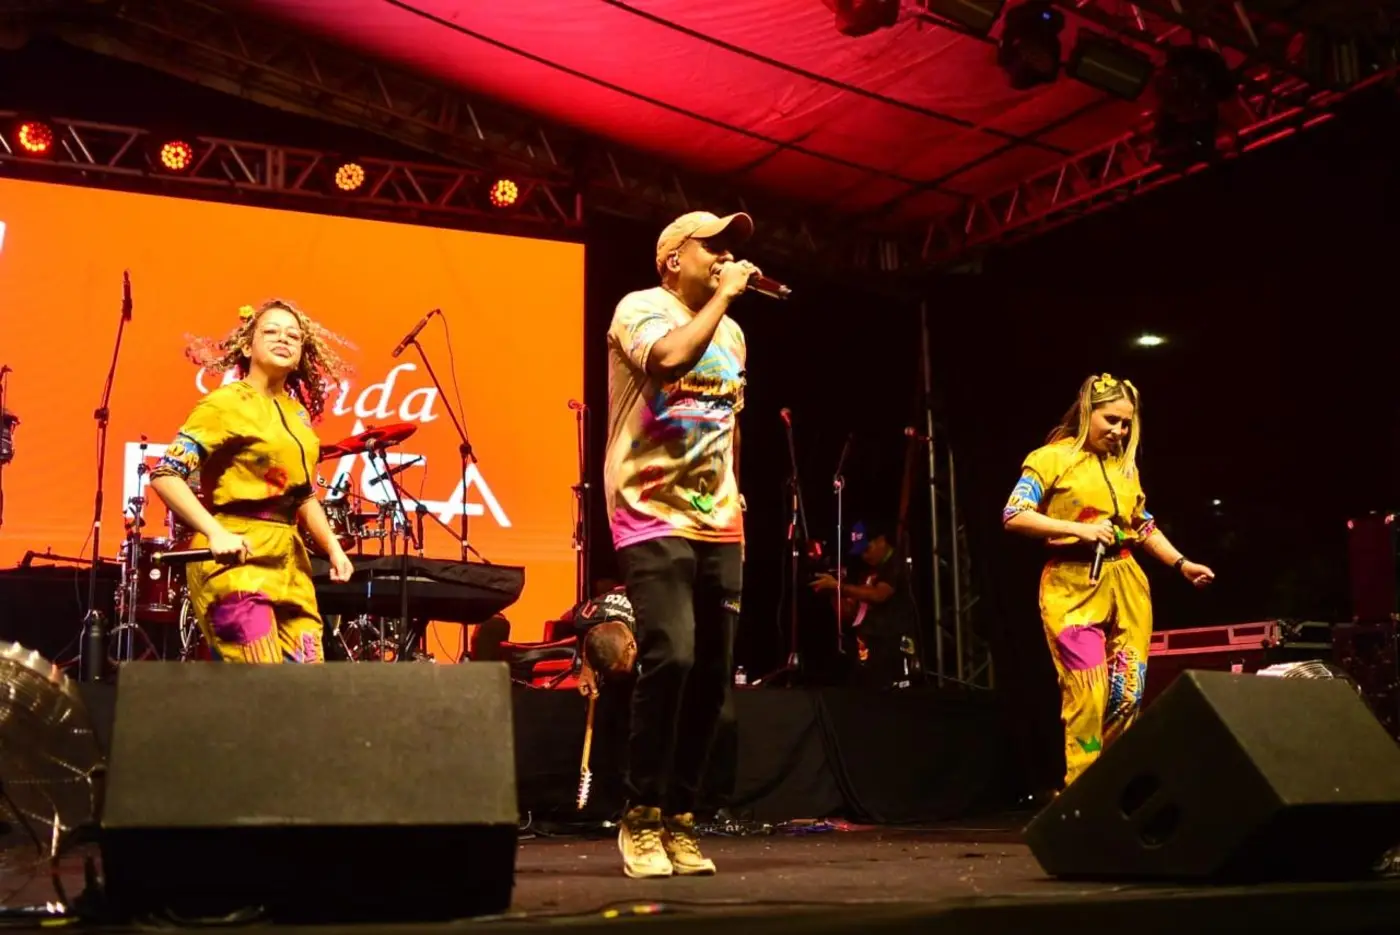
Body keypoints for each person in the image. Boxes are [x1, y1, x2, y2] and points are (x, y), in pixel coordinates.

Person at [603, 210, 755, 879]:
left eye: (730, 249)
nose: (724, 257)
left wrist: (736, 490)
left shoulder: (735, 334)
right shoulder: (640, 309)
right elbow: (668, 361)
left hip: (717, 519)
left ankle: (681, 818)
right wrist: (724, 298)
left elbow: (729, 417)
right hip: (649, 508)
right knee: (673, 654)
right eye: (711, 247)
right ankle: (639, 814)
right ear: (673, 259)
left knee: (714, 680)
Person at [1002, 373, 1215, 789]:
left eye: (1126, 423)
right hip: (1072, 583)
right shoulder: (1050, 458)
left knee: (1127, 695)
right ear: (1088, 413)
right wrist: (1080, 530)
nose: (1119, 431)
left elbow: (1142, 524)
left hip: (1126, 580)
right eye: (1111, 420)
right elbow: (1014, 514)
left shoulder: (1123, 466)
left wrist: (1181, 564)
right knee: (1088, 692)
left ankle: (1109, 788)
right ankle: (1081, 792)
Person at [148, 300, 355, 663]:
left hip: (289, 563)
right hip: (237, 557)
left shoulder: (297, 414)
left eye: (293, 335)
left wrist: (334, 549)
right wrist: (215, 533)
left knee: (308, 685)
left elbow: (304, 495)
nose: (283, 339)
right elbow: (165, 475)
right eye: (271, 331)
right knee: (262, 685)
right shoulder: (224, 404)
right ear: (247, 346)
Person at [810, 520, 920, 689]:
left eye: (867, 549)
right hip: (870, 646)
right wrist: (833, 592)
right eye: (860, 552)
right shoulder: (869, 570)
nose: (864, 556)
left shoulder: (896, 563)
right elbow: (850, 614)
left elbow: (879, 595)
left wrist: (840, 587)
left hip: (894, 644)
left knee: (895, 695)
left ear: (881, 540)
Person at [565, 579, 639, 699]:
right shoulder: (584, 620)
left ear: (632, 646)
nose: (617, 678)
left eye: (620, 673)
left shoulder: (649, 626)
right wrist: (587, 666)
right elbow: (589, 634)